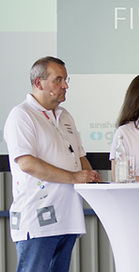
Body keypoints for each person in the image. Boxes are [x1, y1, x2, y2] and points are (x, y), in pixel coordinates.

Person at [3, 56, 102, 272]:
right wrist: (75, 177)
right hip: (38, 221)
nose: (65, 85)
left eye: (66, 80)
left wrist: (91, 177)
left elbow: (79, 156)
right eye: (58, 80)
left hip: (68, 217)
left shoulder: (65, 115)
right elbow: (27, 163)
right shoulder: (21, 115)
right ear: (39, 83)